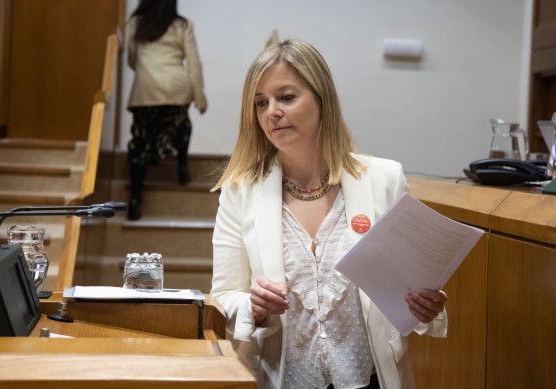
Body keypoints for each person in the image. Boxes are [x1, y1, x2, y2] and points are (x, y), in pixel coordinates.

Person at [210, 39, 448, 389]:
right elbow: (222, 299)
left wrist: (428, 306)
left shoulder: (384, 179)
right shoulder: (240, 190)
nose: (272, 111)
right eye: (261, 102)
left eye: (286, 97)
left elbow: (415, 287)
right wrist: (253, 307)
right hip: (280, 378)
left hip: (372, 379)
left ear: (322, 99)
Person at [126, 0, 207, 220]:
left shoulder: (136, 22)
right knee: (181, 126)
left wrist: (145, 69)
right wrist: (200, 98)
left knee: (139, 142)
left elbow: (132, 59)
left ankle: (134, 200)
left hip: (145, 90)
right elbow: (194, 62)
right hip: (177, 88)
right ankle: (182, 167)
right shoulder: (183, 25)